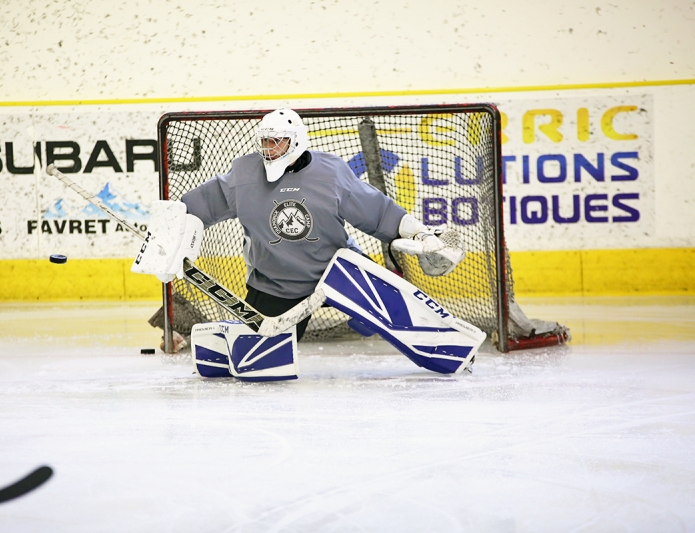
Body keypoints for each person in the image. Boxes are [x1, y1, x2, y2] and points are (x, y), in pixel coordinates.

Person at [133, 108, 474, 380]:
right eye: (265, 142)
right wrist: (166, 233)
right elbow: (198, 205)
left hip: (338, 274)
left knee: (385, 315)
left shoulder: (332, 173)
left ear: (295, 142)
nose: (269, 149)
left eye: (277, 142)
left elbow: (378, 212)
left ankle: (450, 346)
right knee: (261, 365)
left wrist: (419, 233)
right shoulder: (244, 175)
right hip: (274, 286)